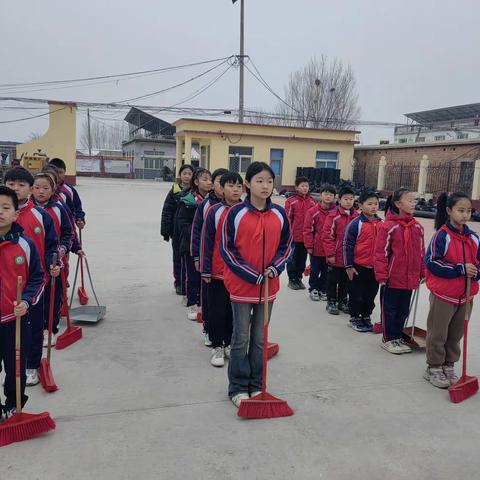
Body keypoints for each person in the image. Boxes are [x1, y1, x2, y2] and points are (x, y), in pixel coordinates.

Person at [221, 162, 292, 408]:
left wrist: (274, 268)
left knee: (260, 339)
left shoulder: (280, 214)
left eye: (269, 181)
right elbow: (227, 250)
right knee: (240, 338)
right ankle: (238, 387)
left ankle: (256, 385)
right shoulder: (235, 213)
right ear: (248, 184)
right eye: (259, 181)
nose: (265, 186)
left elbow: (286, 246)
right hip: (242, 287)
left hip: (268, 288)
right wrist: (252, 275)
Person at [4, 167, 60, 386]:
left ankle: (31, 366)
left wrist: (54, 263)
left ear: (30, 189)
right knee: (8, 332)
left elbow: (51, 246)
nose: (16, 189)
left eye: (21, 185)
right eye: (11, 184)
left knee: (33, 329)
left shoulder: (41, 216)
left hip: (35, 285)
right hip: (6, 286)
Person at [424, 192, 480, 388]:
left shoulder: (473, 238)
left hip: (466, 296)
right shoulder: (442, 235)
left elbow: (478, 262)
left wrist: (476, 271)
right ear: (449, 211)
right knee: (438, 333)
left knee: (456, 333)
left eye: (469, 211)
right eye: (461, 210)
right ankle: (434, 366)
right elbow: (431, 262)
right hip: (444, 295)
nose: (465, 215)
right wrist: (460, 269)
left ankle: (449, 364)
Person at [0, 186, 45, 418]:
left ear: (16, 214)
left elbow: (38, 278)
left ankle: (13, 406)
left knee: (15, 368)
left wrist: (26, 302)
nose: (0, 212)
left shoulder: (25, 246)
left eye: (5, 207)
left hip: (15, 320)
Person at [374, 188, 425, 355]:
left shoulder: (417, 227)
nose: (413, 203)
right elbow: (381, 253)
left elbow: (421, 251)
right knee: (390, 308)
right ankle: (388, 338)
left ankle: (398, 335)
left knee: (404, 309)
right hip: (392, 277)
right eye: (409, 200)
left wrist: (422, 271)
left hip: (410, 278)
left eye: (414, 200)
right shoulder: (388, 226)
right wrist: (382, 275)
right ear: (397, 203)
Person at [200, 172, 243, 367]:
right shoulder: (214, 211)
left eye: (239, 186)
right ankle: (217, 346)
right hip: (218, 272)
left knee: (235, 312)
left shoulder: (247, 211)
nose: (235, 189)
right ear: (221, 188)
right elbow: (206, 241)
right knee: (218, 310)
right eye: (231, 185)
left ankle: (230, 344)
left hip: (240, 273)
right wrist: (205, 269)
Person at [31, 173, 74, 343]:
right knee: (35, 299)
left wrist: (64, 248)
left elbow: (68, 232)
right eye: (37, 188)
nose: (41, 191)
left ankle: (51, 329)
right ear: (31, 189)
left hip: (54, 262)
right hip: (33, 264)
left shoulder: (59, 208)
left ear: (53, 189)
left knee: (53, 299)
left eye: (45, 188)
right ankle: (35, 331)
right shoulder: (26, 211)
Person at [191, 168, 228, 346]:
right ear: (214, 184)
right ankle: (208, 328)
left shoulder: (237, 206)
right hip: (209, 262)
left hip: (229, 266)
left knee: (227, 304)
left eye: (226, 183)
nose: (223, 187)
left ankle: (228, 337)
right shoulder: (206, 205)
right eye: (219, 182)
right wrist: (197, 257)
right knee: (208, 299)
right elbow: (198, 232)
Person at [175, 168, 212, 320]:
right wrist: (197, 233)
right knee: (192, 275)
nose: (208, 182)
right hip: (191, 245)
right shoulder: (188, 200)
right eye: (204, 179)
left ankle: (203, 303)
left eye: (210, 179)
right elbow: (182, 222)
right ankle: (192, 303)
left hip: (207, 246)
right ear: (196, 182)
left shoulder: (212, 201)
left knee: (205, 275)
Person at [343, 191, 382, 332]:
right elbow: (347, 244)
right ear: (361, 205)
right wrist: (348, 265)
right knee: (356, 295)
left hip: (374, 269)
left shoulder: (381, 224)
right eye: (369, 204)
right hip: (358, 267)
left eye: (376, 204)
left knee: (370, 295)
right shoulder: (355, 224)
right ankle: (354, 317)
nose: (373, 207)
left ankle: (366, 316)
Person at [322, 186, 358, 315]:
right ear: (339, 200)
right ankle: (331, 301)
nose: (348, 202)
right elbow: (327, 236)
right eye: (346, 199)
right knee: (332, 280)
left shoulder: (357, 217)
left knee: (346, 281)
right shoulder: (333, 216)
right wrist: (330, 253)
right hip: (335, 256)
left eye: (351, 199)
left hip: (349, 257)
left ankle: (342, 300)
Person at [161, 164, 193, 295]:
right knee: (178, 258)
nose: (186, 176)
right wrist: (166, 231)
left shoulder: (194, 192)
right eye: (184, 173)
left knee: (189, 259)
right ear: (180, 175)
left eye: (189, 174)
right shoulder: (174, 191)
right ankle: (179, 282)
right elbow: (167, 211)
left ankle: (188, 283)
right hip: (176, 231)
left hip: (189, 231)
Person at [303, 184, 336, 301]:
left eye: (331, 195)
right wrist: (309, 245)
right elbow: (307, 230)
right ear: (320, 195)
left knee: (327, 271)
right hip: (316, 247)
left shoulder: (336, 212)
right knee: (315, 269)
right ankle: (313, 289)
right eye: (326, 194)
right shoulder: (313, 211)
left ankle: (323, 289)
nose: (328, 197)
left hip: (330, 249)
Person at [285, 176, 316, 290]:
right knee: (293, 258)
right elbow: (287, 219)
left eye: (306, 186)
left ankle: (299, 278)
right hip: (294, 236)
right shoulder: (291, 201)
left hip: (306, 237)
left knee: (302, 259)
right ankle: (292, 279)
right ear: (296, 187)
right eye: (302, 186)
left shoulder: (312, 201)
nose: (305, 188)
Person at [48, 158, 86, 229]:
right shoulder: (41, 189)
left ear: (65, 172)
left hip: (67, 230)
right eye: (55, 172)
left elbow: (77, 209)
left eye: (60, 172)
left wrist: (80, 219)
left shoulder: (70, 191)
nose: (58, 175)